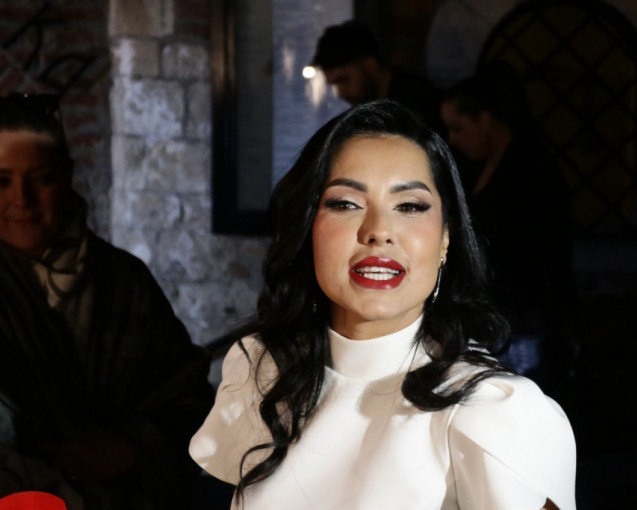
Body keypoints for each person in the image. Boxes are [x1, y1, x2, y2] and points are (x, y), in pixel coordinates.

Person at [189, 99, 576, 509]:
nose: (378, 231)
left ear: (445, 238)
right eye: (346, 203)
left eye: (409, 206)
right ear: (308, 226)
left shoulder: (493, 414)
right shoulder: (262, 371)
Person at [0, 93, 215, 509]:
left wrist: (131, 447)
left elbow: (188, 400)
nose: (22, 199)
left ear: (67, 177)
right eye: (2, 181)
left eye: (41, 178)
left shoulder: (124, 281)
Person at [440, 62, 579, 389]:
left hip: (526, 318)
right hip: (498, 316)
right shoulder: (479, 167)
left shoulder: (530, 171)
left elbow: (534, 252)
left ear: (485, 119)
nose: (453, 140)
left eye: (458, 128)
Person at [311, 20, 445, 135]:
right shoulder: (374, 108)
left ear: (370, 66)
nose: (341, 93)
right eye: (334, 84)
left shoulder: (416, 102)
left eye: (344, 80)